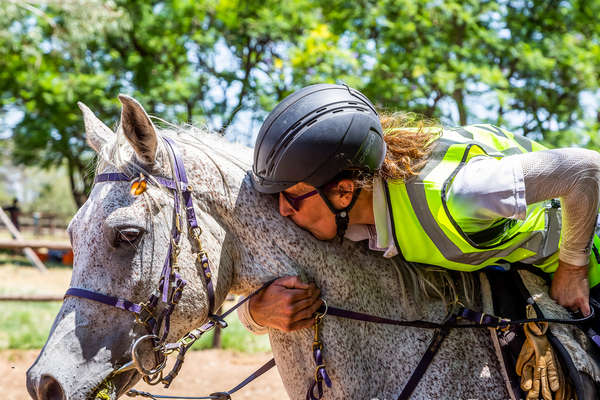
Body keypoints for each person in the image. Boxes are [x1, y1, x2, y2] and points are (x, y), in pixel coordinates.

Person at [238, 83, 600, 334]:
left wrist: (573, 266)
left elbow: (584, 169)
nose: (282, 211)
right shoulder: (344, 209)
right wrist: (255, 312)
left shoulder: (460, 197)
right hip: (512, 270)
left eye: (290, 198)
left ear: (344, 191)